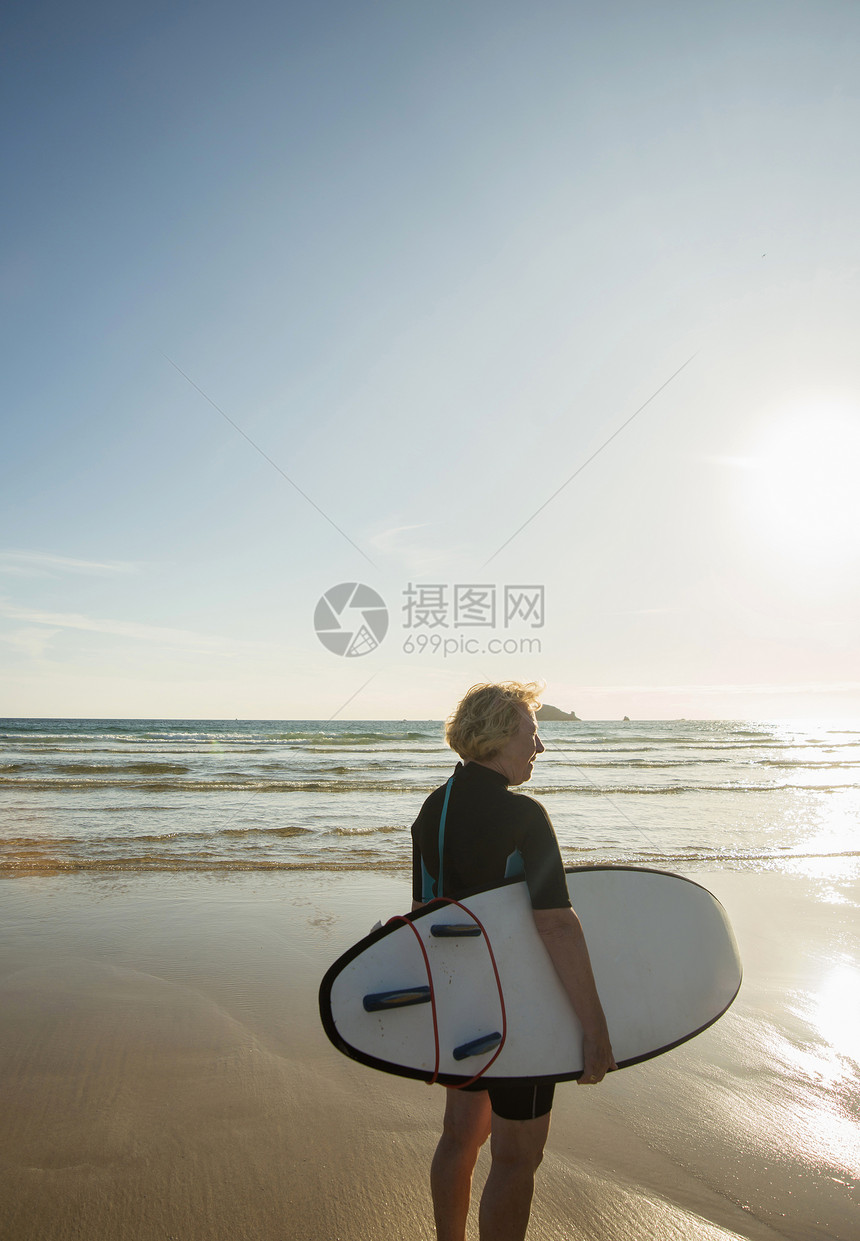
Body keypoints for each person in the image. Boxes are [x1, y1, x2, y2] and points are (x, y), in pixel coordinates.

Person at [410, 681, 615, 1241]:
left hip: (463, 1006)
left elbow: (424, 917)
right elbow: (555, 923)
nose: (539, 746)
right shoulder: (524, 816)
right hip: (520, 1015)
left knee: (459, 1138)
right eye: (532, 732)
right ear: (499, 736)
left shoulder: (432, 811)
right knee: (515, 1159)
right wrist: (595, 1027)